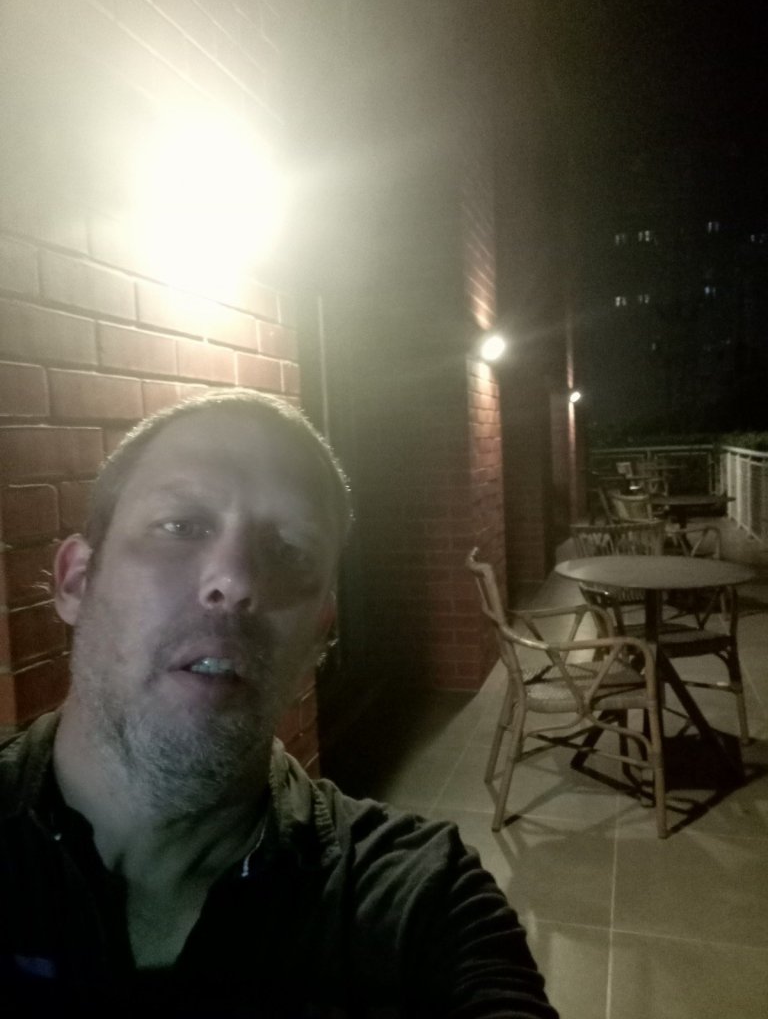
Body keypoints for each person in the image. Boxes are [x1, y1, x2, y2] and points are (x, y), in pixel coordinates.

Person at [0, 389, 557, 1017]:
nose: (237, 581)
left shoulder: (424, 905)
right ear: (77, 581)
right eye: (181, 526)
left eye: (289, 550)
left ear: (320, 631)